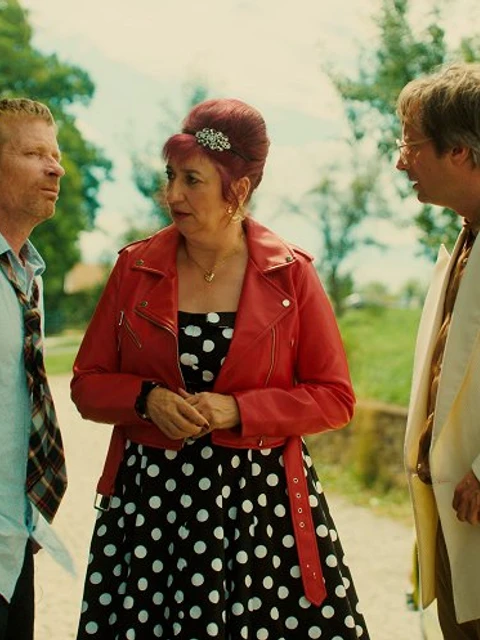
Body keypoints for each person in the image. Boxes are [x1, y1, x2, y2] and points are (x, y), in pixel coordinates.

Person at [72, 97, 369, 639]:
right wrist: (146, 399)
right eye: (170, 176)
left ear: (239, 188)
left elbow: (334, 397)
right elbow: (87, 385)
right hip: (150, 508)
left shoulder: (292, 274)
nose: (173, 194)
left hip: (261, 510)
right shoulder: (133, 267)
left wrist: (240, 410)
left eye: (192, 180)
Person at [397, 62, 480, 639]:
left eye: (411, 145)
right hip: (454, 515)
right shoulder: (465, 238)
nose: (401, 161)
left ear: (460, 151)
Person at [0, 98, 67, 640]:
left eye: (56, 155)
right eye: (33, 154)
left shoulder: (29, 277)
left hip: (16, 538)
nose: (55, 168)